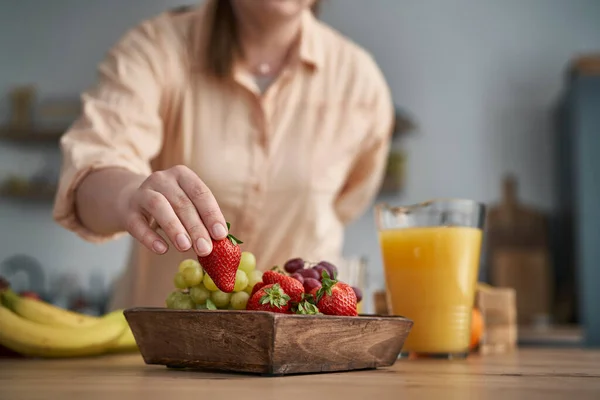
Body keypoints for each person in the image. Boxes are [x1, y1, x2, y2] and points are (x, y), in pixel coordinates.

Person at [53, 0, 394, 310]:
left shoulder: (360, 81)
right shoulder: (154, 49)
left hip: (303, 351)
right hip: (165, 352)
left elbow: (349, 202)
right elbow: (91, 171)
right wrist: (130, 196)